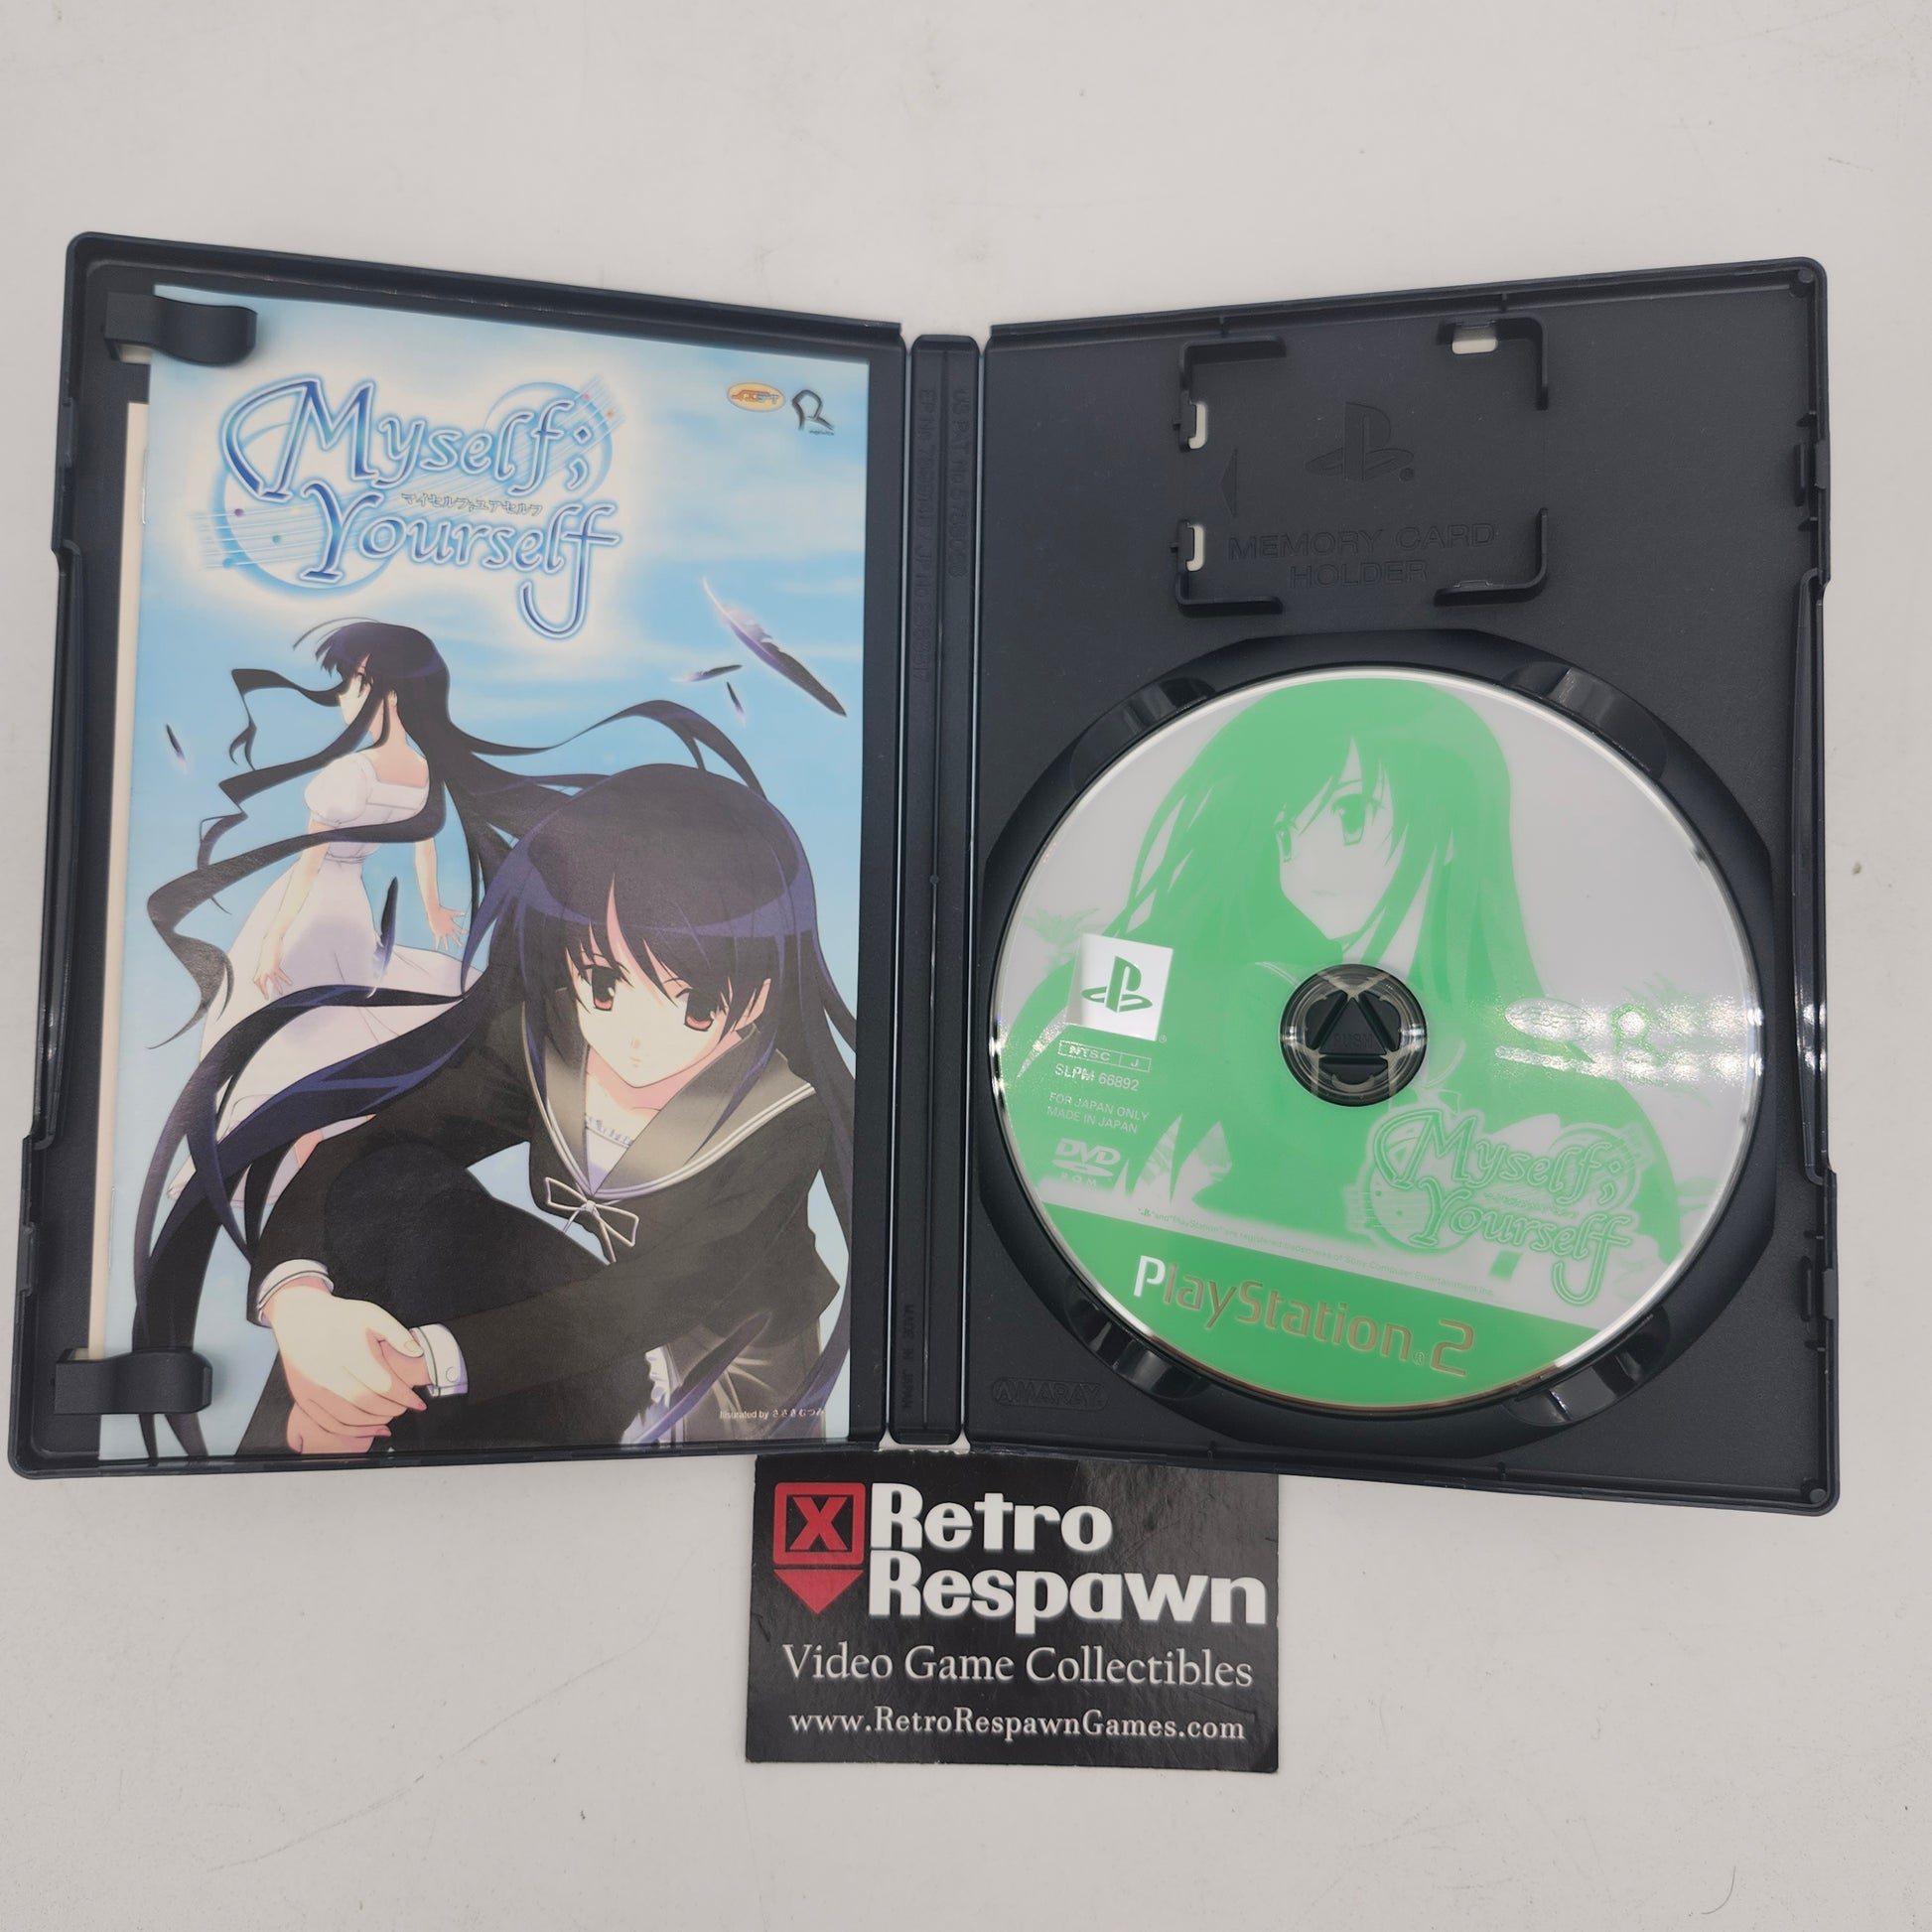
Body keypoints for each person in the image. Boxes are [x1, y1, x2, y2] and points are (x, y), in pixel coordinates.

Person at [135, 730, 854, 1460]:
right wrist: (300, 1307)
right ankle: (311, 1435)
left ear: (755, 998)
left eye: (694, 1002)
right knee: (391, 1181)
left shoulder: (781, 1118)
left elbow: (654, 1299)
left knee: (430, 1348)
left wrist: (416, 1363)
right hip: (556, 1344)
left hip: (710, 1390)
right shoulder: (551, 1044)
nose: (635, 1035)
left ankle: (337, 1431)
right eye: (604, 983)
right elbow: (372, 1146)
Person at [997, 675, 1681, 1314]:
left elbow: (1618, 1274)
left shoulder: (1563, 1099)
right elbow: (1049, 1140)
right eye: (1285, 823)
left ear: (1452, 824)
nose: (1302, 852)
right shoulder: (1152, 985)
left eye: (1352, 811)